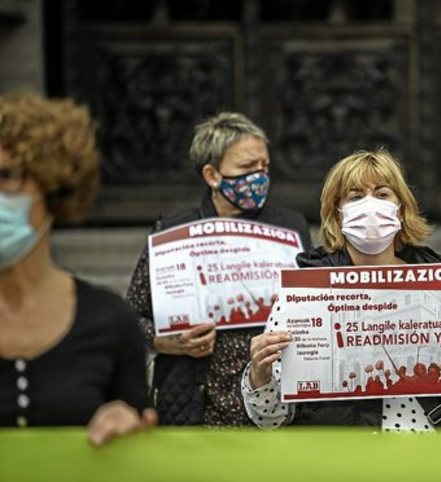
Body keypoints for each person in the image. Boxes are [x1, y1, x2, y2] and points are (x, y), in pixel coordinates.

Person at [242, 149, 441, 431]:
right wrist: (260, 375)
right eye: (355, 197)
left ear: (401, 209)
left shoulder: (439, 284)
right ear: (337, 214)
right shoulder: (304, 292)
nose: (370, 205)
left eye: (382, 194)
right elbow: (270, 417)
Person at [126, 112, 311, 426]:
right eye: (247, 168)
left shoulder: (291, 228)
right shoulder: (173, 232)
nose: (259, 177)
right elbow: (132, 315)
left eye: (264, 167)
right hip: (195, 405)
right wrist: (165, 342)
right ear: (212, 175)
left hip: (271, 408)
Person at [0, 92, 155, 445]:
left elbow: (140, 440)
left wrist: (127, 424)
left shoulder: (109, 321)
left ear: (54, 187)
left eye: (6, 176)